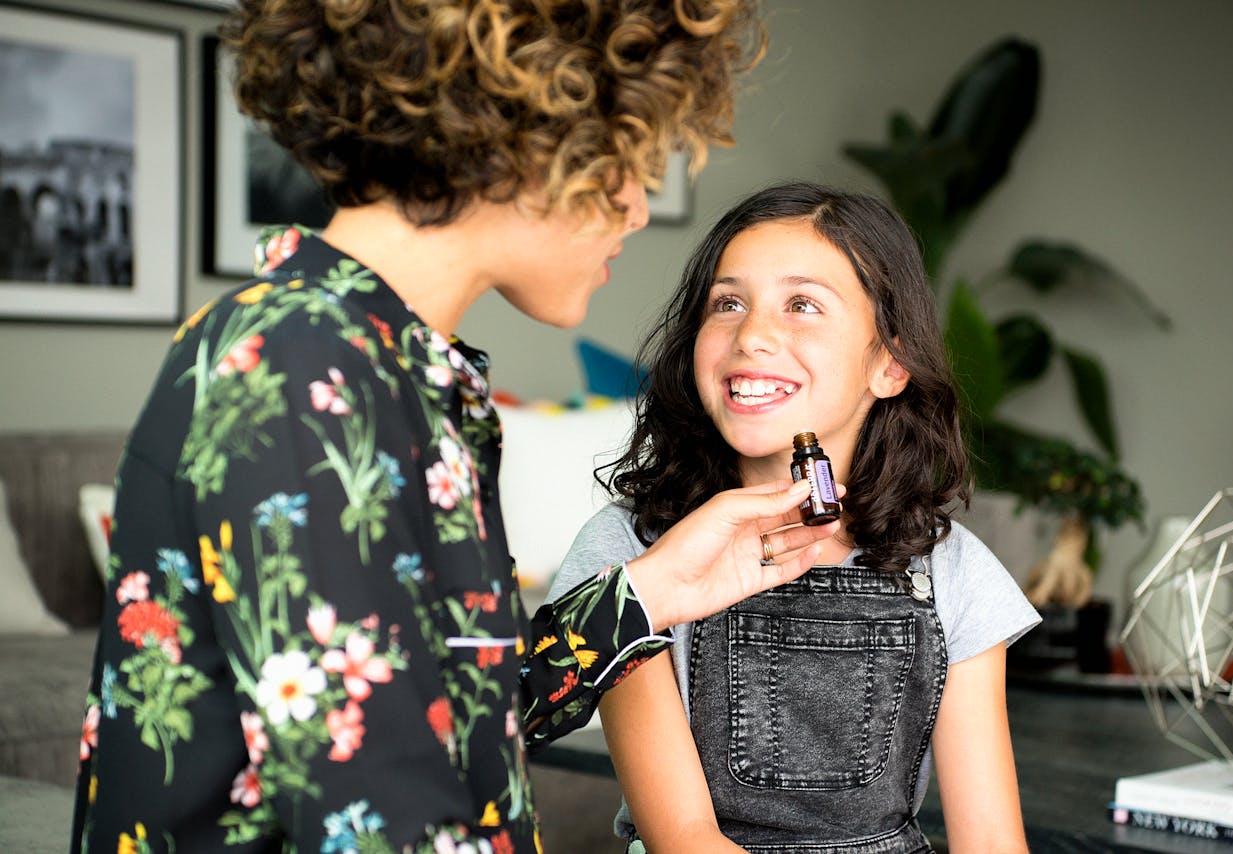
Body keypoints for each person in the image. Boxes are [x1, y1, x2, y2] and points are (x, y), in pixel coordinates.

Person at [68, 4, 848, 852]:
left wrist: (653, 592)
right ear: (532, 128)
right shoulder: (303, 370)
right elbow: (375, 821)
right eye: (632, 154)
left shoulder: (374, 361)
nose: (636, 204)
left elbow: (438, 718)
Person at [550, 182, 1042, 853]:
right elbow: (684, 838)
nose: (752, 335)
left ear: (890, 363)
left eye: (802, 305)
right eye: (728, 303)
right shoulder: (629, 557)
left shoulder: (954, 569)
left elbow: (991, 843)